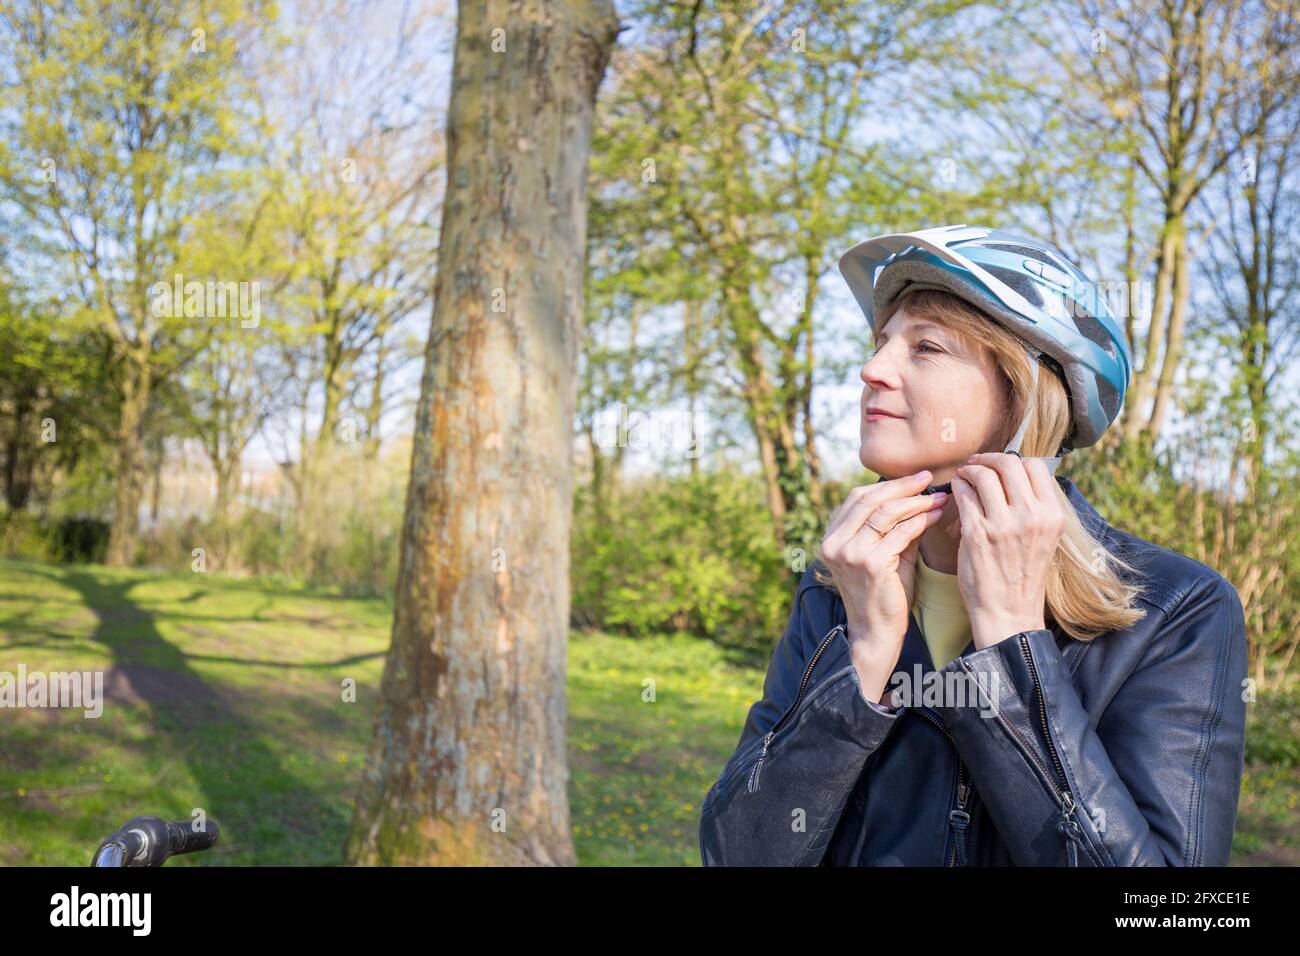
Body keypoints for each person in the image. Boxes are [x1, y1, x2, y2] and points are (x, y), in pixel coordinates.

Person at [698, 224, 1248, 866]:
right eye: (881, 343)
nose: (871, 369)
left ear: (1023, 398)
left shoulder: (1176, 609)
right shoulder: (837, 588)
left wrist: (1014, 645)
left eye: (925, 346)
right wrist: (866, 653)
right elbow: (740, 854)